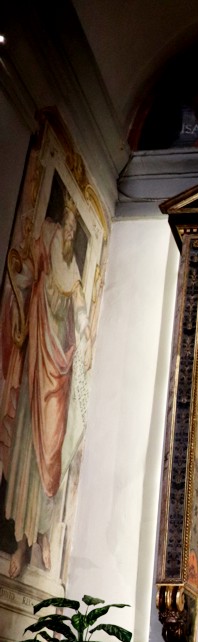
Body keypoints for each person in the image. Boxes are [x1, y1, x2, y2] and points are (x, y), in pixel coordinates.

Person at [0, 196, 91, 578]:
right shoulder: (46, 242)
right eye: (66, 225)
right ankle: (22, 543)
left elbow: (81, 314)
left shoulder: (73, 271)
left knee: (52, 456)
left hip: (59, 371)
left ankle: (42, 535)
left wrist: (85, 343)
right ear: (59, 224)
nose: (68, 232)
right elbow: (25, 275)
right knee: (28, 452)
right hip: (37, 364)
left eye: (73, 228)